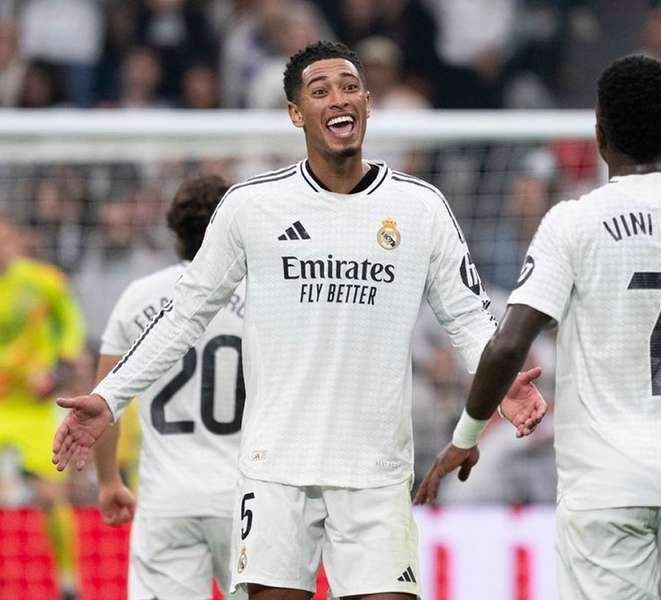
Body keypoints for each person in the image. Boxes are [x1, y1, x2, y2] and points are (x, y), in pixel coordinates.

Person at [51, 40, 545, 600]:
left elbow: (469, 319)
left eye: (351, 86)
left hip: (375, 472)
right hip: (275, 470)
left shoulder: (420, 206)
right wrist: (111, 396)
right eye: (321, 90)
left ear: (367, 102)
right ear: (295, 113)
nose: (340, 98)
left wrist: (500, 385)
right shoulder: (251, 205)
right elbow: (183, 315)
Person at [415, 55, 661, 600]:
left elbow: (507, 346)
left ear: (599, 132)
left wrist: (465, 438)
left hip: (605, 487)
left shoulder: (573, 222)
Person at [91, 175, 248, 600]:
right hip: (248, 500)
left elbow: (103, 403)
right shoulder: (262, 298)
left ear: (175, 233)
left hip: (167, 501)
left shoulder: (138, 297)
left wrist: (108, 482)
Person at [0, 217, 85, 600]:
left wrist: (57, 369)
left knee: (52, 495)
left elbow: (71, 327)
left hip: (32, 409)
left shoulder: (44, 282)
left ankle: (69, 580)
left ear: (16, 240)